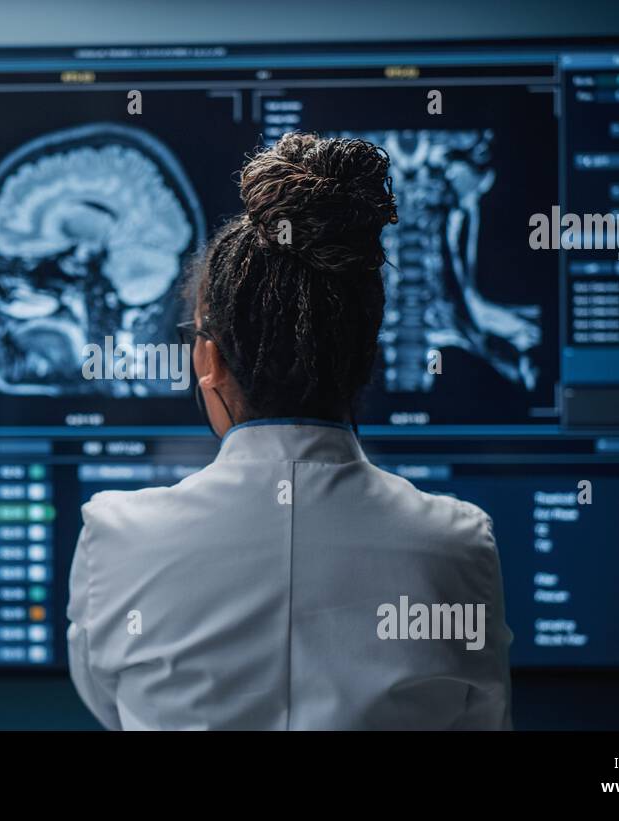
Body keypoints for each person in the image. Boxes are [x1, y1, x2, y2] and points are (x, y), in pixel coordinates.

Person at [66, 132, 513, 730]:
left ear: (208, 362)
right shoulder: (457, 547)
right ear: (366, 355)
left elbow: (112, 707)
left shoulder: (117, 539)